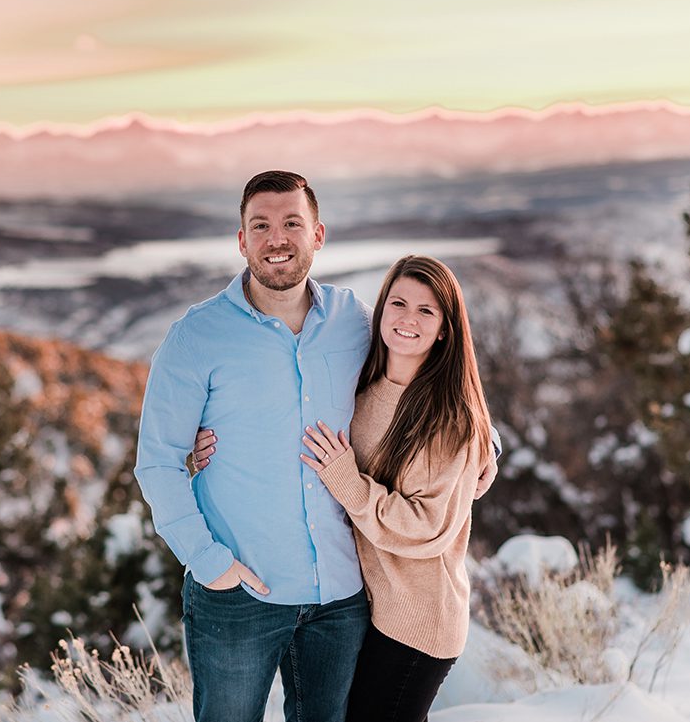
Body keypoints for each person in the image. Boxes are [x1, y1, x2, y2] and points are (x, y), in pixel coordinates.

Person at [135, 171, 496, 722]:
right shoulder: (197, 336)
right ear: (242, 240)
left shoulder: (354, 321)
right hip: (240, 594)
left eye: (291, 224)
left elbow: (432, 376)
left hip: (341, 597)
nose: (277, 238)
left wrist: (483, 445)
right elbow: (158, 461)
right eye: (261, 225)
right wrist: (210, 564)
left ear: (318, 235)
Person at [195, 254, 493, 721]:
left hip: (417, 620)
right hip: (373, 608)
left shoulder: (447, 419)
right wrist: (208, 441)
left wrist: (349, 485)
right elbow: (284, 406)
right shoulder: (366, 383)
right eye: (398, 303)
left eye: (426, 311)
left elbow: (426, 528)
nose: (407, 319)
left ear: (444, 330)